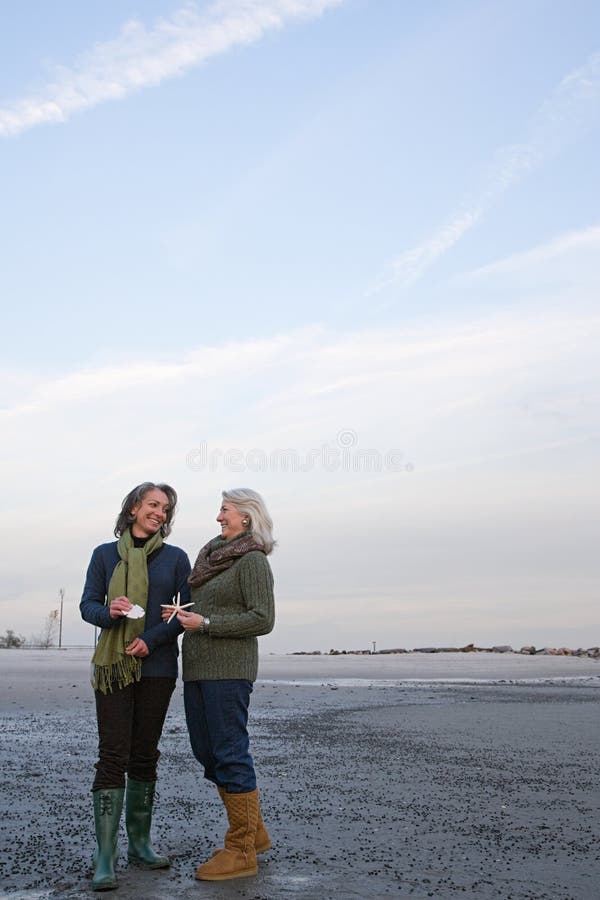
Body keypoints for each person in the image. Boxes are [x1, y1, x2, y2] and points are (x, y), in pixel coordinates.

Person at [80, 482, 191, 891]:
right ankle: (105, 854)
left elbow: (185, 614)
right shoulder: (104, 555)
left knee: (144, 755)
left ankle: (140, 844)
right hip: (114, 666)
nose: (159, 513)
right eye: (152, 505)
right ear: (132, 509)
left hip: (157, 667)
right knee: (113, 754)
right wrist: (108, 612)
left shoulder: (176, 559)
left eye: (165, 508)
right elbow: (87, 604)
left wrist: (154, 638)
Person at [166, 488, 275, 882]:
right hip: (197, 668)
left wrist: (207, 624)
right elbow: (202, 610)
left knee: (230, 753)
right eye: (220, 510)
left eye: (225, 511)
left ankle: (241, 849)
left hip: (229, 670)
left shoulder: (252, 560)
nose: (218, 517)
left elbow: (263, 618)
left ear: (246, 517)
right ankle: (256, 832)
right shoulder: (211, 559)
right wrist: (184, 615)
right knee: (207, 752)